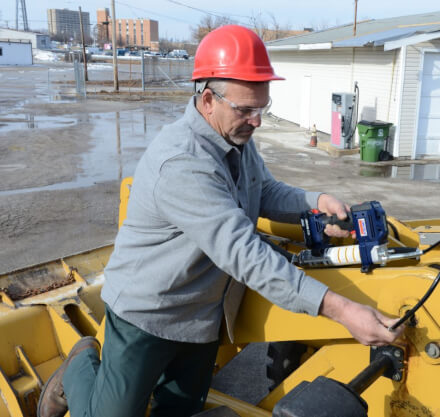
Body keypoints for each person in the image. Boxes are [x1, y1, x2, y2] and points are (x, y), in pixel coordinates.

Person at [37, 25, 404, 417]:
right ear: (208, 99)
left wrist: (314, 204)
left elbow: (262, 191)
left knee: (179, 412)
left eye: (261, 108)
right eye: (246, 110)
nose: (257, 121)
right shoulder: (182, 164)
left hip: (200, 316)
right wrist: (344, 311)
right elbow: (244, 255)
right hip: (148, 311)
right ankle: (79, 365)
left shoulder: (234, 137)